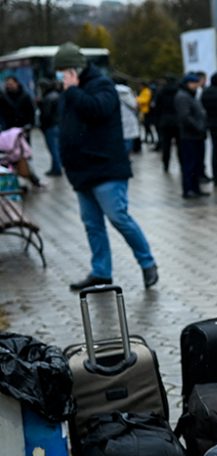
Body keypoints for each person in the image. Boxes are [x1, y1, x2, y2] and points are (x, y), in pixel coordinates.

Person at [54, 42, 158, 291]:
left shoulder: (101, 85)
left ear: (74, 69)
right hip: (81, 170)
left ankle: (148, 262)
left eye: (63, 70)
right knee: (92, 224)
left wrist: (72, 91)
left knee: (118, 217)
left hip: (105, 167)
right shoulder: (71, 91)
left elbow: (97, 110)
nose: (60, 76)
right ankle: (101, 272)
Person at [174, 73, 208, 198]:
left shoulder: (189, 95)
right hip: (190, 136)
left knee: (196, 163)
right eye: (195, 83)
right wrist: (199, 127)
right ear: (189, 83)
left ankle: (195, 188)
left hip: (196, 136)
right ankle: (189, 189)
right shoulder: (183, 97)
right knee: (190, 164)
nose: (197, 86)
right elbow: (185, 117)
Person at [153, 76, 179, 172]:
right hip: (177, 121)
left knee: (166, 145)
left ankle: (166, 165)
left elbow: (157, 108)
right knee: (179, 145)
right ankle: (181, 163)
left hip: (165, 121)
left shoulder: (161, 92)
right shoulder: (178, 91)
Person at [37, 79, 62, 176]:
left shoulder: (48, 98)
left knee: (53, 149)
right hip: (57, 125)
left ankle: (57, 168)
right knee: (55, 148)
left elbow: (46, 115)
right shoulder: (56, 95)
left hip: (50, 126)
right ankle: (56, 167)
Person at [114, 78, 141, 155]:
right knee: (128, 140)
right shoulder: (125, 92)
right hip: (128, 118)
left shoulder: (111, 90)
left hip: (117, 118)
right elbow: (134, 105)